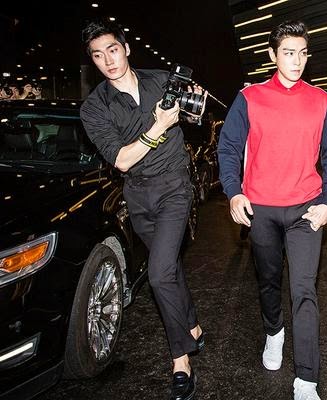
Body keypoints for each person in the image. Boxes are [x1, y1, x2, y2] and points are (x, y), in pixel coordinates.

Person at [217, 20, 327, 400]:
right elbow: (229, 148)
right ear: (273, 55)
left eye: (302, 53)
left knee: (304, 289)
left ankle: (307, 378)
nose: (296, 60)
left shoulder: (322, 102)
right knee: (269, 281)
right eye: (288, 53)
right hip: (261, 209)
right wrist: (233, 193)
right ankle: (274, 331)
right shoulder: (250, 97)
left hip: (306, 209)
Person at [80, 20, 204, 400]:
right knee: (169, 268)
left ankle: (181, 359)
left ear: (126, 48)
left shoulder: (162, 81)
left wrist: (193, 102)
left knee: (158, 273)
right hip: (137, 196)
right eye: (98, 56)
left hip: (174, 188)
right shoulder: (94, 108)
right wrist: (158, 126)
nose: (108, 61)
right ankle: (193, 325)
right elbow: (121, 160)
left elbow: (196, 118)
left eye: (112, 50)